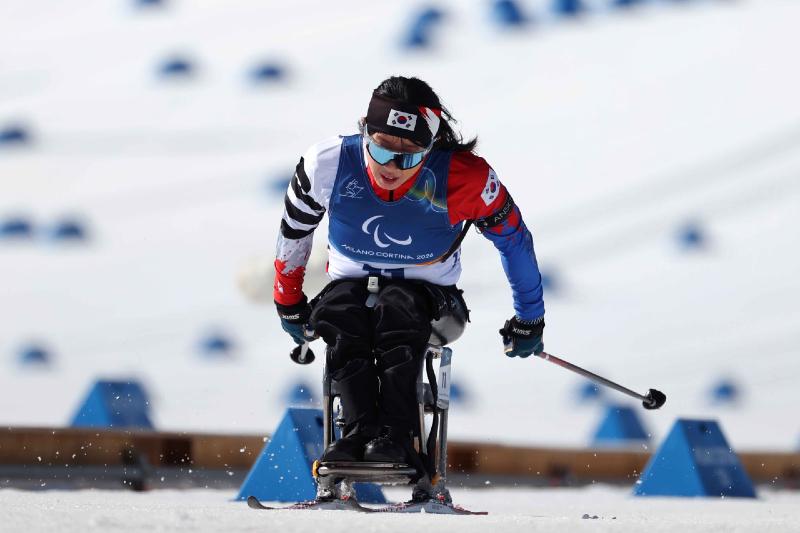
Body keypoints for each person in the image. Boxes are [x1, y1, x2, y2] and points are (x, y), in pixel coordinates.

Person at [273, 76, 545, 467]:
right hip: (350, 289)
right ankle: (357, 435)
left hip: (433, 300)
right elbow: (295, 232)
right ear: (364, 133)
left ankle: (398, 438)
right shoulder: (327, 163)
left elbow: (515, 241)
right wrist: (288, 302)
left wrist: (529, 318)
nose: (392, 167)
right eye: (381, 149)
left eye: (409, 156)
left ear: (431, 147)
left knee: (397, 306)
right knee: (341, 310)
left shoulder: (465, 178)